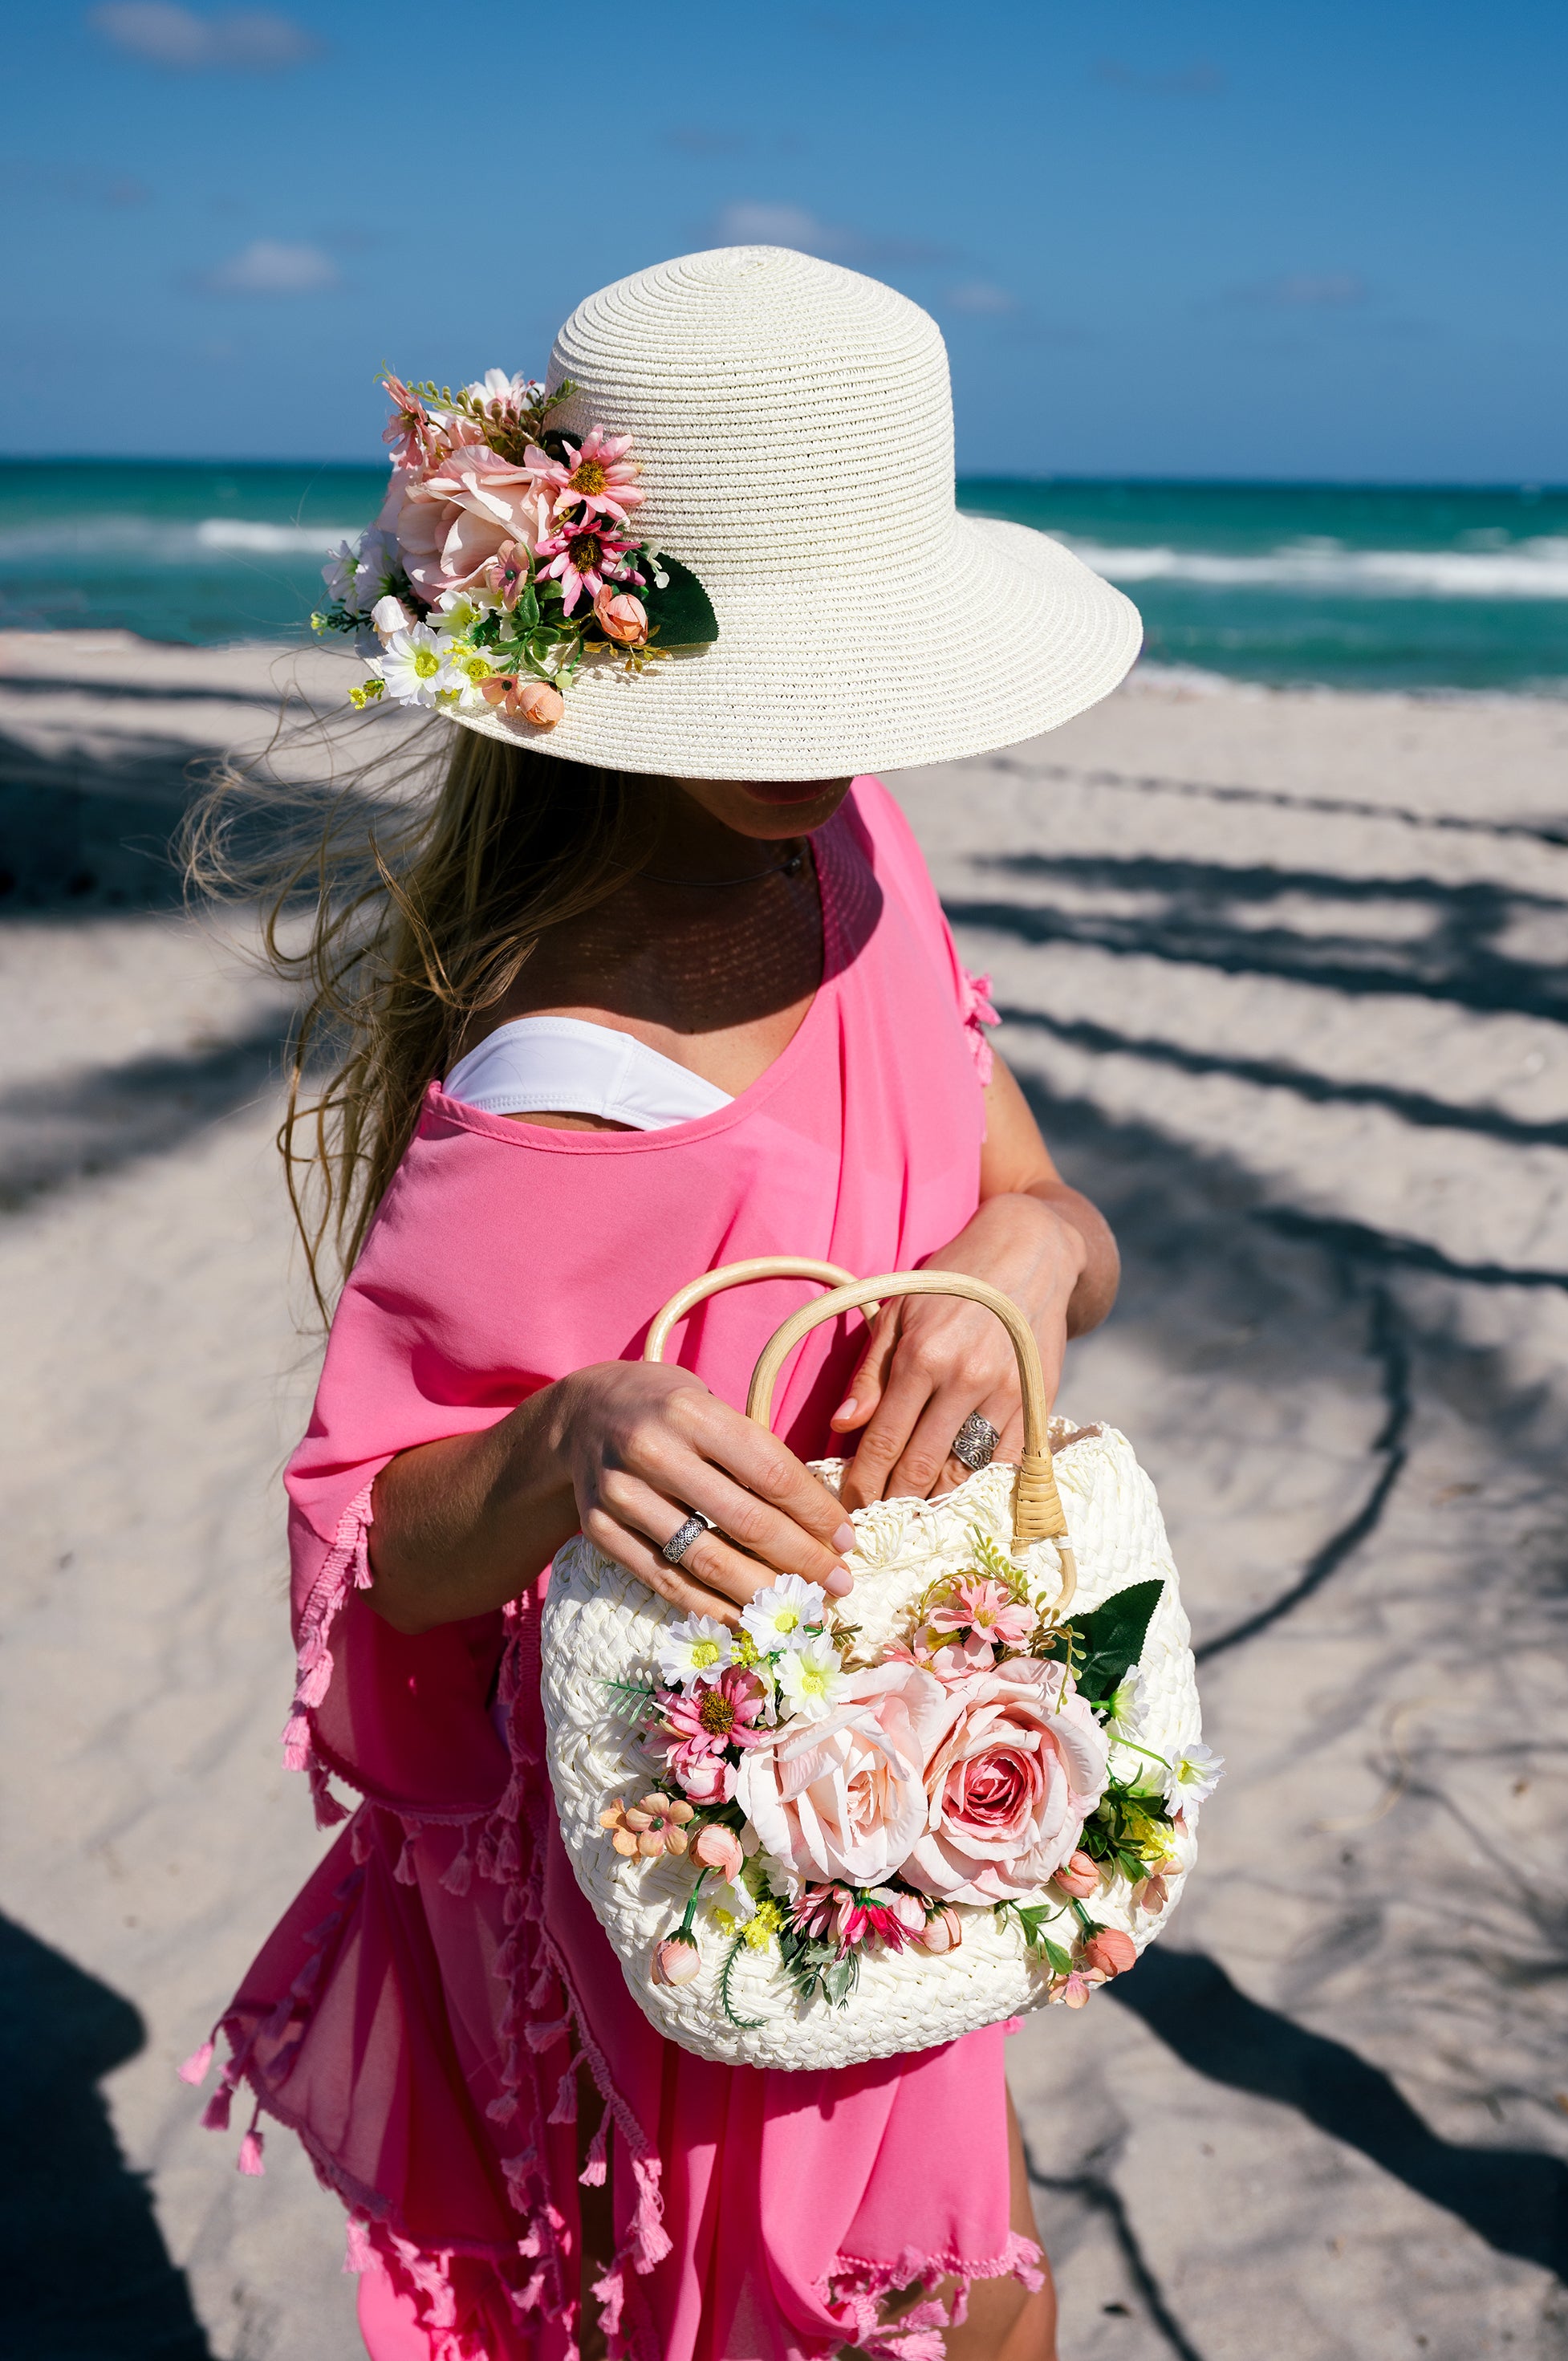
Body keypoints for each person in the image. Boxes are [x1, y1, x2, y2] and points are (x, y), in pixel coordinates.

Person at [183, 246, 1140, 2361]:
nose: (820, 739)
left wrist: (1022, 1266)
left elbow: (1052, 1199)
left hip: (888, 1780)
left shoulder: (860, 850)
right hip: (686, 1878)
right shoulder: (574, 1066)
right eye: (771, 684)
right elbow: (371, 1548)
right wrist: (566, 1435)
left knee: (977, 2305)